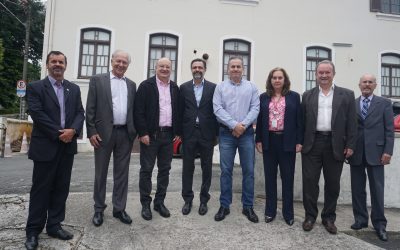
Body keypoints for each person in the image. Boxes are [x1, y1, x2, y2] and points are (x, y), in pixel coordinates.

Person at [25, 51, 85, 250]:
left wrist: (74, 131)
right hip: (46, 145)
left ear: (65, 65)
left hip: (67, 147)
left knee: (61, 188)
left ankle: (54, 225)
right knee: (41, 189)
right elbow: (37, 113)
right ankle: (33, 231)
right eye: (54, 61)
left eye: (61, 62)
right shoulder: (35, 87)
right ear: (47, 64)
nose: (57, 65)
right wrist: (60, 133)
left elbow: (79, 112)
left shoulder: (73, 89)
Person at [301, 60, 357, 234]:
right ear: (316, 74)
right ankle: (310, 216)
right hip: (313, 143)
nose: (324, 75)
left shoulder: (347, 95)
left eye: (327, 72)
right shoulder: (307, 95)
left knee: (332, 184)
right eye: (320, 73)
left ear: (333, 74)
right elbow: (302, 122)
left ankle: (328, 218)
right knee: (310, 183)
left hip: (336, 144)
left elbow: (352, 123)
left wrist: (350, 145)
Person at [86, 50, 137, 227]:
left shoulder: (131, 84)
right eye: (118, 61)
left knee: (122, 174)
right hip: (102, 134)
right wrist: (91, 131)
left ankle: (119, 208)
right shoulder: (97, 80)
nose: (121, 65)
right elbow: (90, 108)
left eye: (125, 62)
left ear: (128, 65)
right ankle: (99, 209)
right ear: (111, 61)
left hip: (125, 134)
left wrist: (134, 132)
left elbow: (133, 110)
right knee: (101, 173)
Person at [213, 56, 260, 223]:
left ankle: (248, 206)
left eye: (238, 66)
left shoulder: (252, 87)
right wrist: (234, 125)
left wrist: (243, 126)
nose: (235, 69)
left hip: (246, 134)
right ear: (228, 69)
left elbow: (255, 108)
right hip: (226, 134)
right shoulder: (220, 87)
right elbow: (217, 109)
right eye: (232, 66)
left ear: (243, 69)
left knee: (249, 171)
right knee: (226, 171)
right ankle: (224, 205)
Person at [348, 74, 394, 241]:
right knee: (357, 189)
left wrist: (388, 151)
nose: (366, 85)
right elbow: (349, 129)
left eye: (370, 82)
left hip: (377, 153)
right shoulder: (352, 104)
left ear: (375, 85)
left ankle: (380, 224)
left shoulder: (384, 104)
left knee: (377, 190)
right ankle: (360, 220)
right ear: (359, 85)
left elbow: (389, 130)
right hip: (356, 153)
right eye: (364, 82)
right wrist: (348, 147)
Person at [255, 67, 303, 226]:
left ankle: (288, 213)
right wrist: (259, 140)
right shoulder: (263, 97)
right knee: (270, 178)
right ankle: (270, 211)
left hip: (287, 141)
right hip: (269, 141)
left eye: (280, 77)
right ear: (270, 80)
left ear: (285, 80)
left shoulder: (294, 97)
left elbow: (299, 121)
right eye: (274, 77)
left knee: (287, 178)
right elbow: (261, 120)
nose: (277, 80)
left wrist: (299, 141)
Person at [134, 57, 180, 220]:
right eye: (161, 66)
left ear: (171, 69)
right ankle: (145, 204)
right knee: (146, 170)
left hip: (168, 136)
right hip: (150, 136)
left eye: (167, 66)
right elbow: (138, 112)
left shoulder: (175, 87)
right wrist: (143, 133)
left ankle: (159, 202)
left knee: (164, 171)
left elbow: (178, 110)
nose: (165, 69)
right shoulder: (146, 86)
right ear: (156, 68)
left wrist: (177, 131)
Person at [179, 58, 218, 216]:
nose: (197, 70)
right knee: (187, 168)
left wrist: (216, 134)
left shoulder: (213, 88)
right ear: (191, 69)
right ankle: (188, 200)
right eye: (194, 67)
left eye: (200, 67)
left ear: (204, 69)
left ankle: (204, 200)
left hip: (206, 133)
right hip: (189, 133)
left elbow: (216, 111)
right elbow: (180, 110)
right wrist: (180, 133)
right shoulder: (184, 88)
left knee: (206, 168)